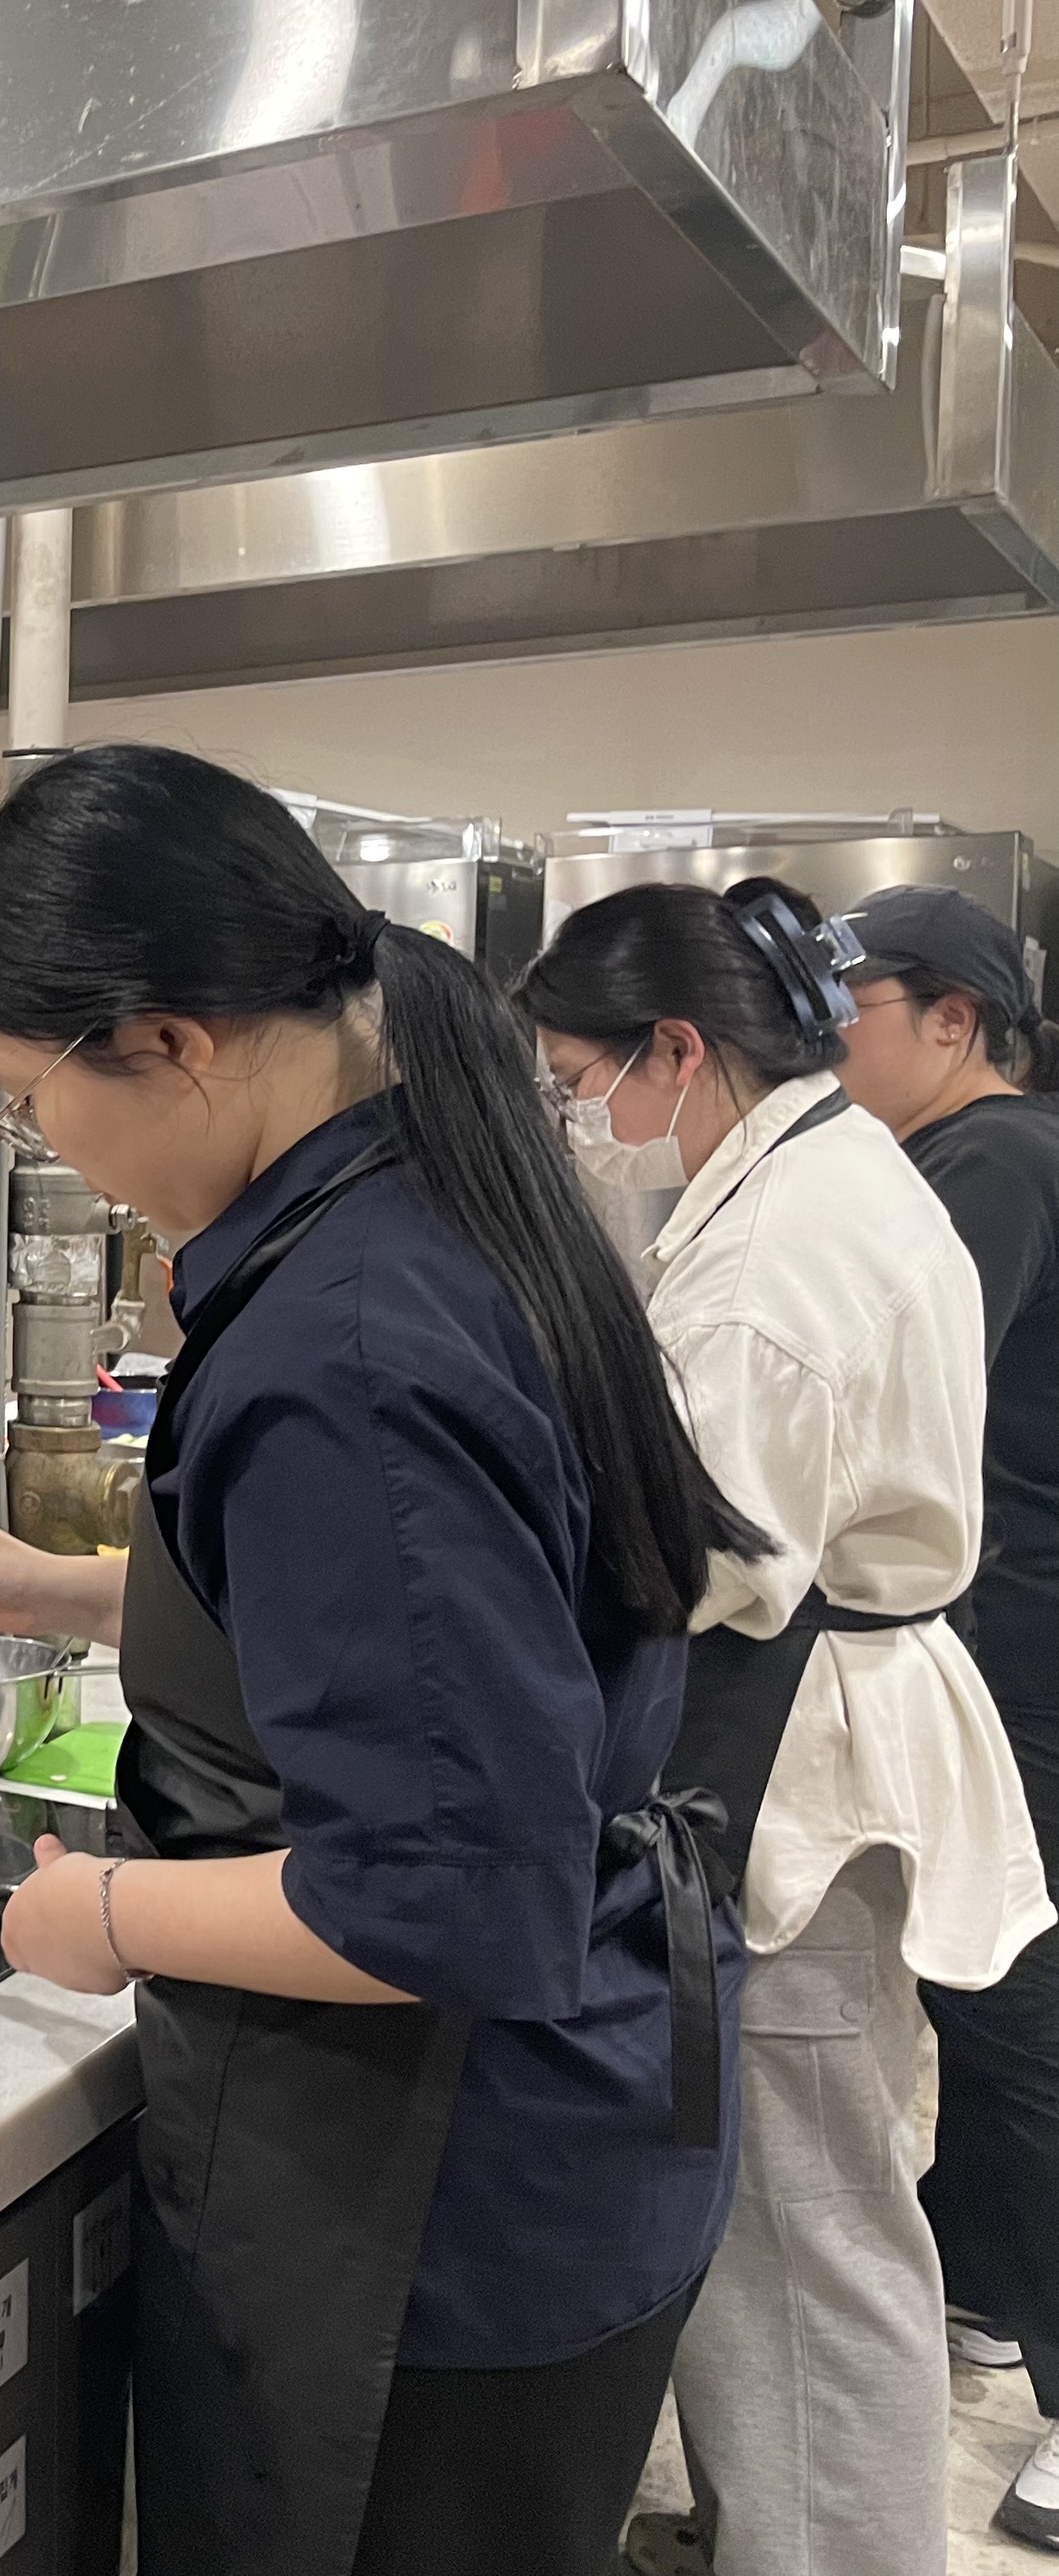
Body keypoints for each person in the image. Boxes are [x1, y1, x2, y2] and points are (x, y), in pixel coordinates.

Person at [0, 744, 756, 2576]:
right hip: (568, 2123)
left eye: (36, 1101)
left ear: (171, 1042)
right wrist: (48, 1585)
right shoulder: (432, 1197)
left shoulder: (343, 1341)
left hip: (433, 2200)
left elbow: (446, 1897)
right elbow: (430, 1622)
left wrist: (99, 1912)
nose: (52, 1150)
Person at [523, 877, 1053, 2576]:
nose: (587, 1120)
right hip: (820, 1713)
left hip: (801, 1750)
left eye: (583, 1081)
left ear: (677, 1049)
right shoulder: (824, 1170)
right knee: (784, 2211)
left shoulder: (779, 1253)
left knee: (813, 2237)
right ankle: (768, 2524)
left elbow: (702, 1557)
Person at [833, 884, 1059, 2550]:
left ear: (952, 1022)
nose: (815, 1045)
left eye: (845, 1013)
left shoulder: (985, 1163)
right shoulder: (986, 1155)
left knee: (1016, 2010)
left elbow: (876, 1399)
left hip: (1027, 1648)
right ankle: (983, 2274)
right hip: (1013, 1636)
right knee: (990, 2000)